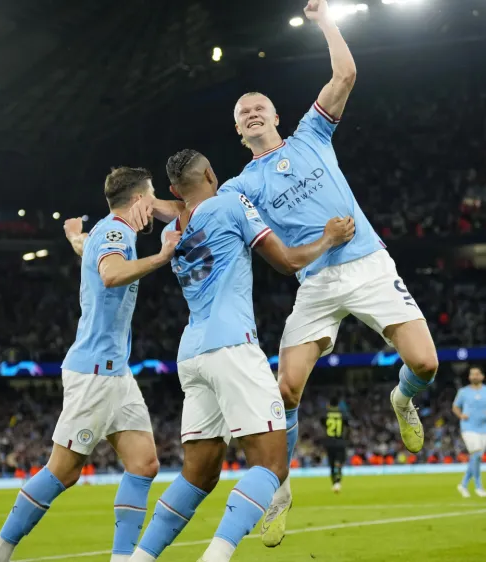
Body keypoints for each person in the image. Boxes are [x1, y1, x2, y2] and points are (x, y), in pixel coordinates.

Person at [137, 0, 439, 545]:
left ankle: (402, 397)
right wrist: (145, 208)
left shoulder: (311, 136)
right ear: (237, 130)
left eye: (260, 106)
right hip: (316, 283)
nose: (253, 113)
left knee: (425, 362)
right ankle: (278, 488)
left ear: (276, 115)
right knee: (287, 388)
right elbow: (190, 207)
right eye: (243, 111)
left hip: (368, 264)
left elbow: (345, 73)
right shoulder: (237, 187)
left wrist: (325, 18)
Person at [127, 149, 353, 562]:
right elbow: (286, 261)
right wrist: (328, 239)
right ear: (212, 172)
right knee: (271, 465)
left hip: (192, 355)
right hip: (232, 345)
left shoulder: (173, 230)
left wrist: (150, 202)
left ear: (176, 190)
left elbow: (178, 206)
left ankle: (138, 559)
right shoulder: (231, 203)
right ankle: (215, 557)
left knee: (198, 475)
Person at [0, 167, 180, 562]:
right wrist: (162, 256)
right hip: (95, 372)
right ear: (137, 200)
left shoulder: (108, 231)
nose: (153, 208)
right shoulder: (118, 233)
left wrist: (72, 237)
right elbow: (111, 272)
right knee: (63, 472)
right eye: (150, 199)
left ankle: (122, 558)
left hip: (116, 371)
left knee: (145, 463)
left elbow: (91, 251)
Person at [452, 366, 486, 498]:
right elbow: (455, 406)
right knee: (477, 454)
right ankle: (479, 486)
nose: (475, 376)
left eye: (477, 374)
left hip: (483, 428)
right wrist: (461, 415)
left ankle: (463, 484)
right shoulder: (463, 392)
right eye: (472, 374)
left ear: (482, 376)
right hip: (468, 427)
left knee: (477, 457)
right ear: (469, 377)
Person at [322, 396, 349, 493]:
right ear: (338, 404)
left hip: (329, 442)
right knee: (339, 462)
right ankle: (338, 482)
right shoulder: (343, 414)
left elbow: (323, 425)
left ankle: (334, 483)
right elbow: (348, 426)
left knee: (332, 464)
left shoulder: (325, 414)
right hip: (340, 441)